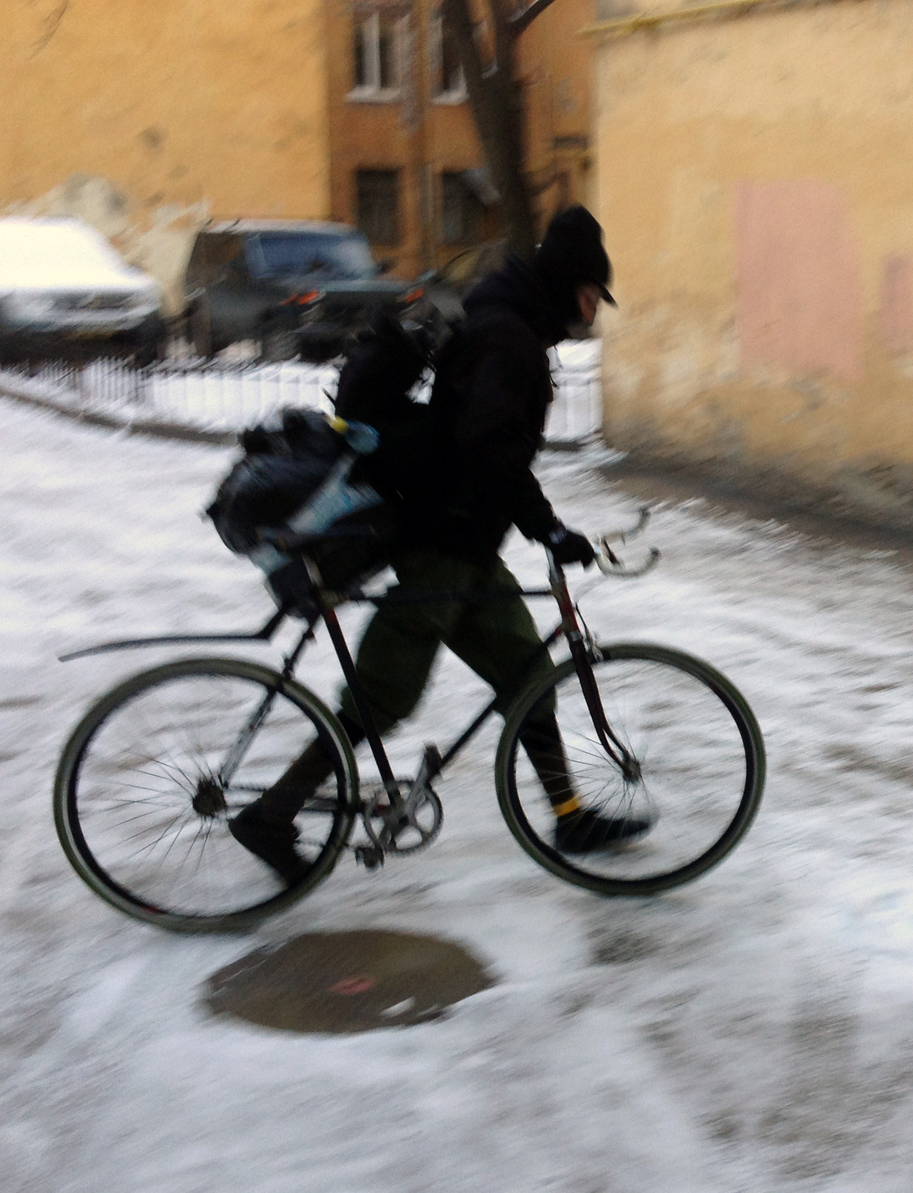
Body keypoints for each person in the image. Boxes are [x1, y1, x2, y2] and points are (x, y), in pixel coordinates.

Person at [228, 206, 648, 883]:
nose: (597, 306)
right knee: (381, 696)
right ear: (573, 283)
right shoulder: (509, 341)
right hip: (440, 538)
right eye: (595, 291)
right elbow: (488, 450)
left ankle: (571, 814)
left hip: (467, 541)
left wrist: (534, 522)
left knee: (528, 677)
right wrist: (546, 526)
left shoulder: (509, 328)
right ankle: (272, 813)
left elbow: (490, 450)